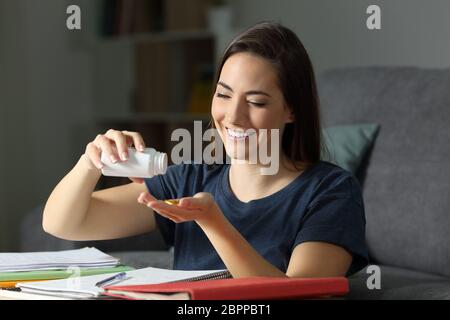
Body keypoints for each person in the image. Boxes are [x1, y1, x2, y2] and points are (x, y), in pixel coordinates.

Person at [43, 22, 368, 278]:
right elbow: (64, 223)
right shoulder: (187, 182)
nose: (233, 116)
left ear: (292, 110)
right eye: (224, 95)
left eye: (256, 102)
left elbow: (302, 296)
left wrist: (213, 222)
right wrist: (90, 163)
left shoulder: (330, 192)